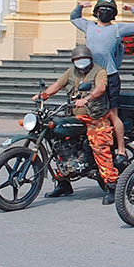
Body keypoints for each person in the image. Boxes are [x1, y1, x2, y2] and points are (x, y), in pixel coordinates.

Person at [32, 45, 118, 204]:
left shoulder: (99, 71)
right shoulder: (71, 71)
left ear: (90, 59)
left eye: (83, 59)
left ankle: (111, 185)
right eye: (77, 59)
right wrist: (43, 96)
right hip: (75, 117)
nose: (80, 62)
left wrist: (87, 99)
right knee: (57, 141)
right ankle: (63, 182)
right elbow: (57, 85)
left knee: (99, 145)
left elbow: (100, 88)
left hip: (95, 118)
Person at [70, 0, 134, 161]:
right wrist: (80, 7)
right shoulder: (89, 26)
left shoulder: (118, 29)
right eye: (102, 9)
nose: (105, 12)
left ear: (113, 14)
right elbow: (74, 18)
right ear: (97, 12)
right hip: (90, 76)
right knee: (85, 111)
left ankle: (121, 149)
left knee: (112, 113)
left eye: (109, 10)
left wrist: (133, 9)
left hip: (110, 76)